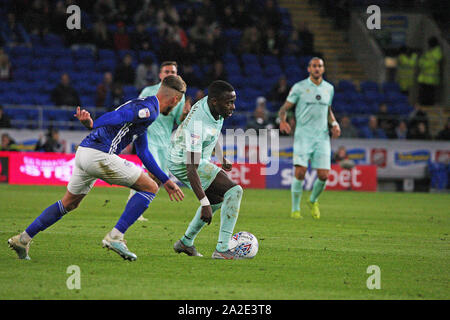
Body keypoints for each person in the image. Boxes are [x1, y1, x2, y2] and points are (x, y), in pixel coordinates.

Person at [8, 75, 186, 261]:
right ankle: (116, 237)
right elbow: (119, 116)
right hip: (100, 154)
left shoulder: (145, 106)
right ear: (176, 99)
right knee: (149, 187)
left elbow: (143, 152)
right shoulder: (149, 110)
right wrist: (93, 124)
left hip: (84, 152)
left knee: (69, 203)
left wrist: (166, 180)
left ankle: (23, 239)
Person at [169, 80, 243, 259]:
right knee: (234, 191)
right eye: (229, 103)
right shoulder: (198, 124)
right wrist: (204, 204)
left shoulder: (213, 107)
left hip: (196, 157)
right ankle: (222, 249)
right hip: (182, 161)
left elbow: (211, 133)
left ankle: (186, 243)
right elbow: (191, 169)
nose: (233, 107)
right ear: (215, 101)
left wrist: (220, 156)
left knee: (217, 198)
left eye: (233, 101)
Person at [127, 61, 191, 221]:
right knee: (151, 173)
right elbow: (137, 112)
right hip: (148, 137)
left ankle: (136, 200)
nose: (170, 74)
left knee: (158, 178)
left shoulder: (179, 97)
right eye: (167, 71)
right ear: (160, 75)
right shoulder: (148, 91)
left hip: (165, 141)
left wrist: (184, 114)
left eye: (173, 72)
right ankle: (135, 208)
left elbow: (178, 120)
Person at [279, 57, 340, 219]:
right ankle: (295, 210)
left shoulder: (329, 88)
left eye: (320, 66)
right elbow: (284, 108)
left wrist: (334, 123)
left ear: (323, 69)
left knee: (324, 175)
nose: (317, 68)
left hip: (322, 137)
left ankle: (313, 200)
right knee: (300, 172)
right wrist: (283, 121)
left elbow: (328, 111)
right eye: (314, 66)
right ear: (309, 69)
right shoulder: (299, 87)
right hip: (303, 136)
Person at [417, 37, 443, 105]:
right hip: (424, 78)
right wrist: (423, 63)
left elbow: (431, 63)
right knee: (423, 96)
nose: (429, 45)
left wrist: (423, 63)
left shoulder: (437, 52)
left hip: (431, 79)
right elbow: (420, 61)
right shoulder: (429, 51)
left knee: (429, 97)